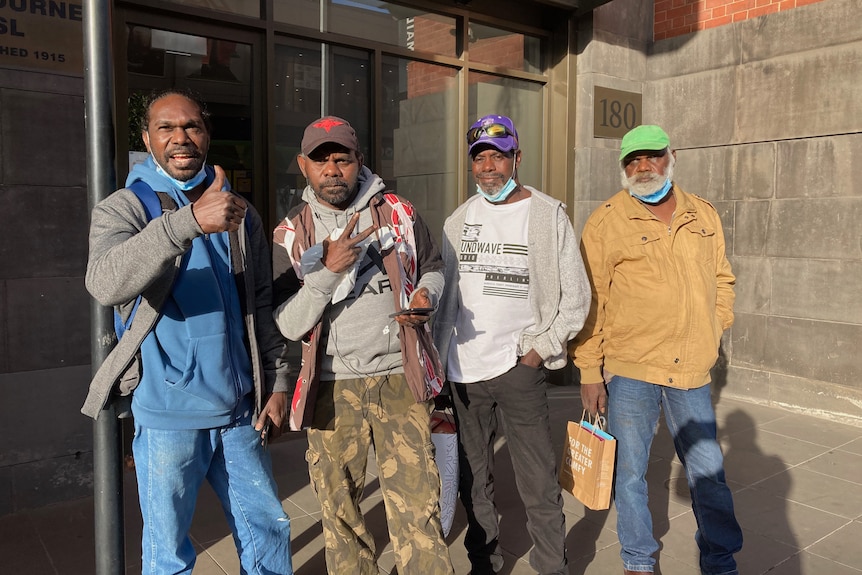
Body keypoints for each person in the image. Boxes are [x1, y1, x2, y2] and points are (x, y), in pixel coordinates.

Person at [81, 89, 293, 575]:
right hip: (166, 416)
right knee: (168, 553)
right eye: (166, 128)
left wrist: (278, 383)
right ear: (147, 138)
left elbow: (260, 304)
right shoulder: (123, 208)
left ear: (207, 134)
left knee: (268, 531)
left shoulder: (239, 211)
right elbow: (105, 282)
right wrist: (188, 223)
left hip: (241, 412)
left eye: (192, 127)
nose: (181, 138)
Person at [271, 116, 454, 575]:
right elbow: (289, 325)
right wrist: (328, 272)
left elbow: (432, 265)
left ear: (359, 161)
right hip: (332, 389)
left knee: (418, 510)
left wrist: (427, 293)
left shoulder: (398, 212)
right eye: (321, 160)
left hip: (399, 380)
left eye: (342, 158)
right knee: (340, 515)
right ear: (303, 166)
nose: (332, 169)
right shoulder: (290, 234)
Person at [569, 124, 743, 575]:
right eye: (632, 159)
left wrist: (714, 326)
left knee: (707, 472)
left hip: (691, 370)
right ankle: (638, 560)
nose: (642, 166)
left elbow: (723, 278)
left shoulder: (703, 215)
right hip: (632, 367)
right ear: (623, 166)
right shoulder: (607, 220)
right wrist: (589, 370)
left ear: (671, 157)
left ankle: (720, 561)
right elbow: (592, 301)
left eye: (651, 156)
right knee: (629, 473)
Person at [434, 114, 591, 575]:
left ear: (516, 158)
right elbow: (447, 302)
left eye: (497, 156)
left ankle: (552, 566)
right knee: (473, 478)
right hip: (463, 372)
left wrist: (537, 351)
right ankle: (485, 562)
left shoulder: (547, 214)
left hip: (519, 369)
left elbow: (576, 298)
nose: (488, 166)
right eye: (480, 157)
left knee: (538, 478)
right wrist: (439, 364)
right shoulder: (457, 221)